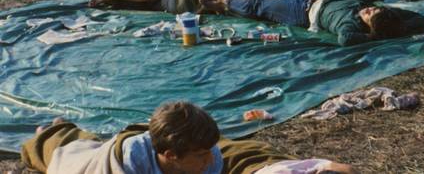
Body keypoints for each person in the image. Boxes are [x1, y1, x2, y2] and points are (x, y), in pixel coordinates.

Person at [21, 100, 356, 174]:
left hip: (157, 141)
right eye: (200, 155)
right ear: (171, 156)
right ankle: (54, 128)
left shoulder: (206, 159)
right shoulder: (124, 166)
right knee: (62, 148)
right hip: (91, 160)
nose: (210, 160)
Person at [199, 0, 424, 47]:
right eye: (373, 10)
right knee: (266, 4)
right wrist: (397, 25)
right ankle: (225, 8)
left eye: (369, 15)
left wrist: (374, 36)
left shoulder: (348, 24)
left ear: (368, 26)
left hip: (300, 12)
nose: (368, 10)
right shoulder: (382, 14)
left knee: (259, 5)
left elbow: (346, 39)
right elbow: (422, 19)